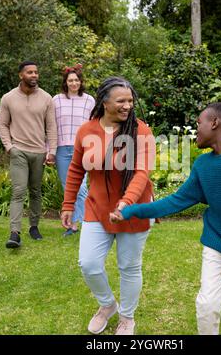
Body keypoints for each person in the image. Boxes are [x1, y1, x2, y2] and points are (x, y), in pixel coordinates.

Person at [110, 101, 221, 335]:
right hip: (216, 242)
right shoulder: (203, 164)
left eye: (199, 122)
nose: (196, 128)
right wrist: (129, 210)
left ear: (215, 122)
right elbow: (175, 201)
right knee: (206, 304)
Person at [61, 76, 156, 335]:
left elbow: (141, 173)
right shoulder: (86, 131)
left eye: (130, 100)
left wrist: (126, 203)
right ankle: (107, 305)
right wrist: (68, 204)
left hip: (134, 209)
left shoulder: (141, 131)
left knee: (129, 266)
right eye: (121, 101)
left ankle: (127, 317)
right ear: (104, 102)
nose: (127, 105)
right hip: (97, 207)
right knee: (89, 264)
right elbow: (76, 169)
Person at [0, 61, 57, 248]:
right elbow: (3, 124)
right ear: (20, 75)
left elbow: (51, 126)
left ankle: (34, 227)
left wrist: (52, 151)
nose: (34, 75)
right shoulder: (8, 98)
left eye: (36, 72)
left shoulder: (46, 98)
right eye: (30, 72)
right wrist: (9, 146)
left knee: (35, 191)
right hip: (19, 151)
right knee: (18, 191)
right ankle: (15, 233)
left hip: (39, 152)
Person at [53, 64, 95, 236]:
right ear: (66, 82)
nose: (73, 83)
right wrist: (50, 149)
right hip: (62, 149)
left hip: (82, 148)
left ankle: (88, 222)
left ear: (80, 81)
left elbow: (94, 125)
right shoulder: (56, 100)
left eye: (76, 80)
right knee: (68, 187)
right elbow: (51, 126)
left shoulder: (89, 100)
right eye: (70, 80)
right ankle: (73, 224)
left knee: (82, 187)